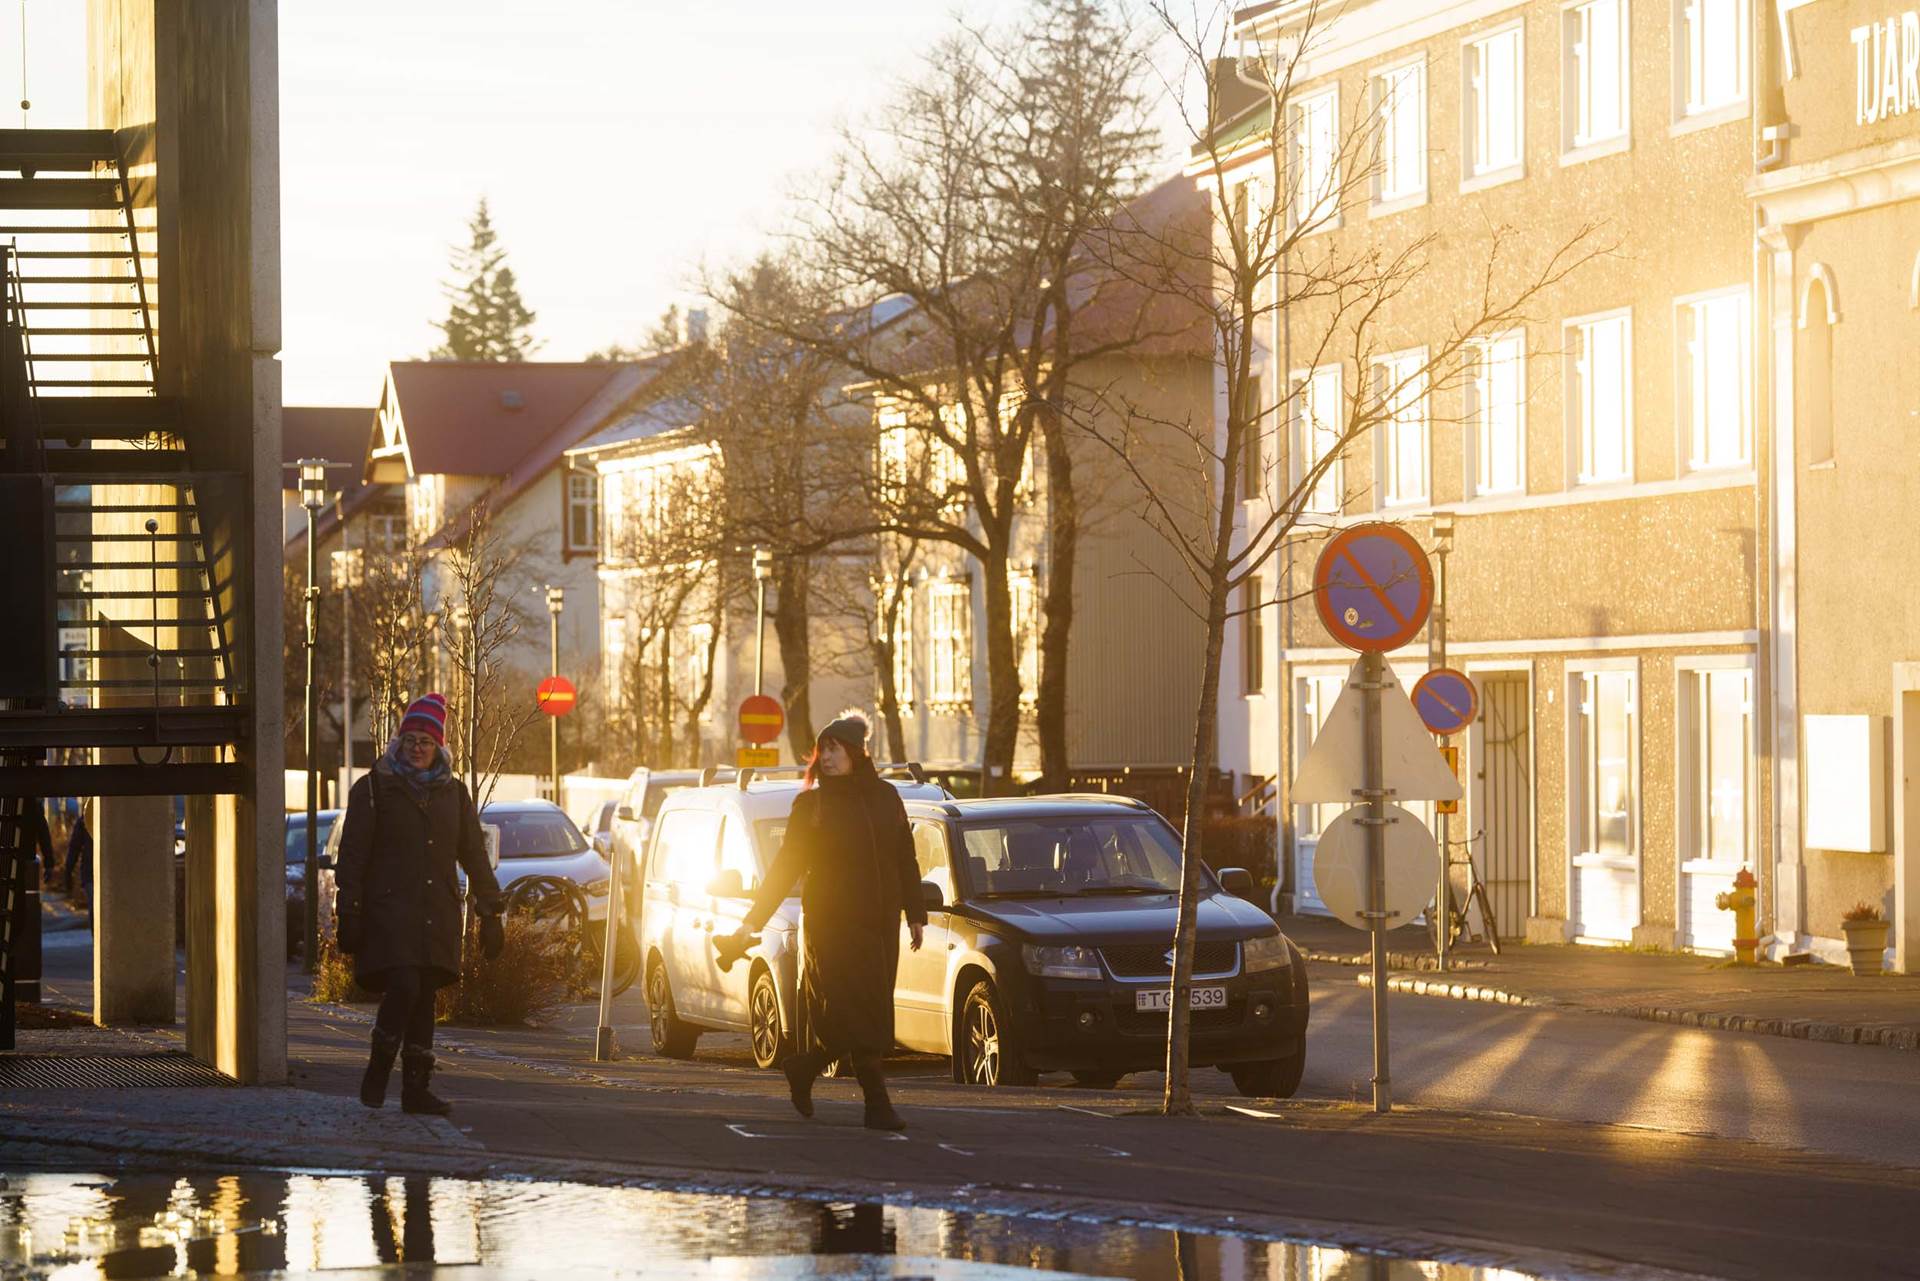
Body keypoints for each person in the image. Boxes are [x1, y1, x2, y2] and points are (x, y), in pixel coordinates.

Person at [733, 712, 927, 1131]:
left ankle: (805, 1068)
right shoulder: (812, 805)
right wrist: (753, 920)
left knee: (868, 1012)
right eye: (824, 750)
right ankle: (876, 1104)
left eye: (836, 749)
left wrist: (915, 913)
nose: (827, 757)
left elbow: (904, 858)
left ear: (857, 752)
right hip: (831, 926)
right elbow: (785, 868)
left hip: (879, 924)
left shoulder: (886, 798)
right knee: (855, 1012)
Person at [335, 693, 505, 1115]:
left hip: (436, 913)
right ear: (398, 742)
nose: (416, 747)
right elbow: (353, 854)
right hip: (389, 912)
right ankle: (378, 1069)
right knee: (406, 983)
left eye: (425, 742)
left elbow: (473, 855)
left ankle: (416, 1090)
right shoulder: (374, 788)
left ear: (438, 748)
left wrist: (490, 910)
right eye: (409, 739)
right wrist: (349, 910)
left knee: (425, 996)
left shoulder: (453, 794)